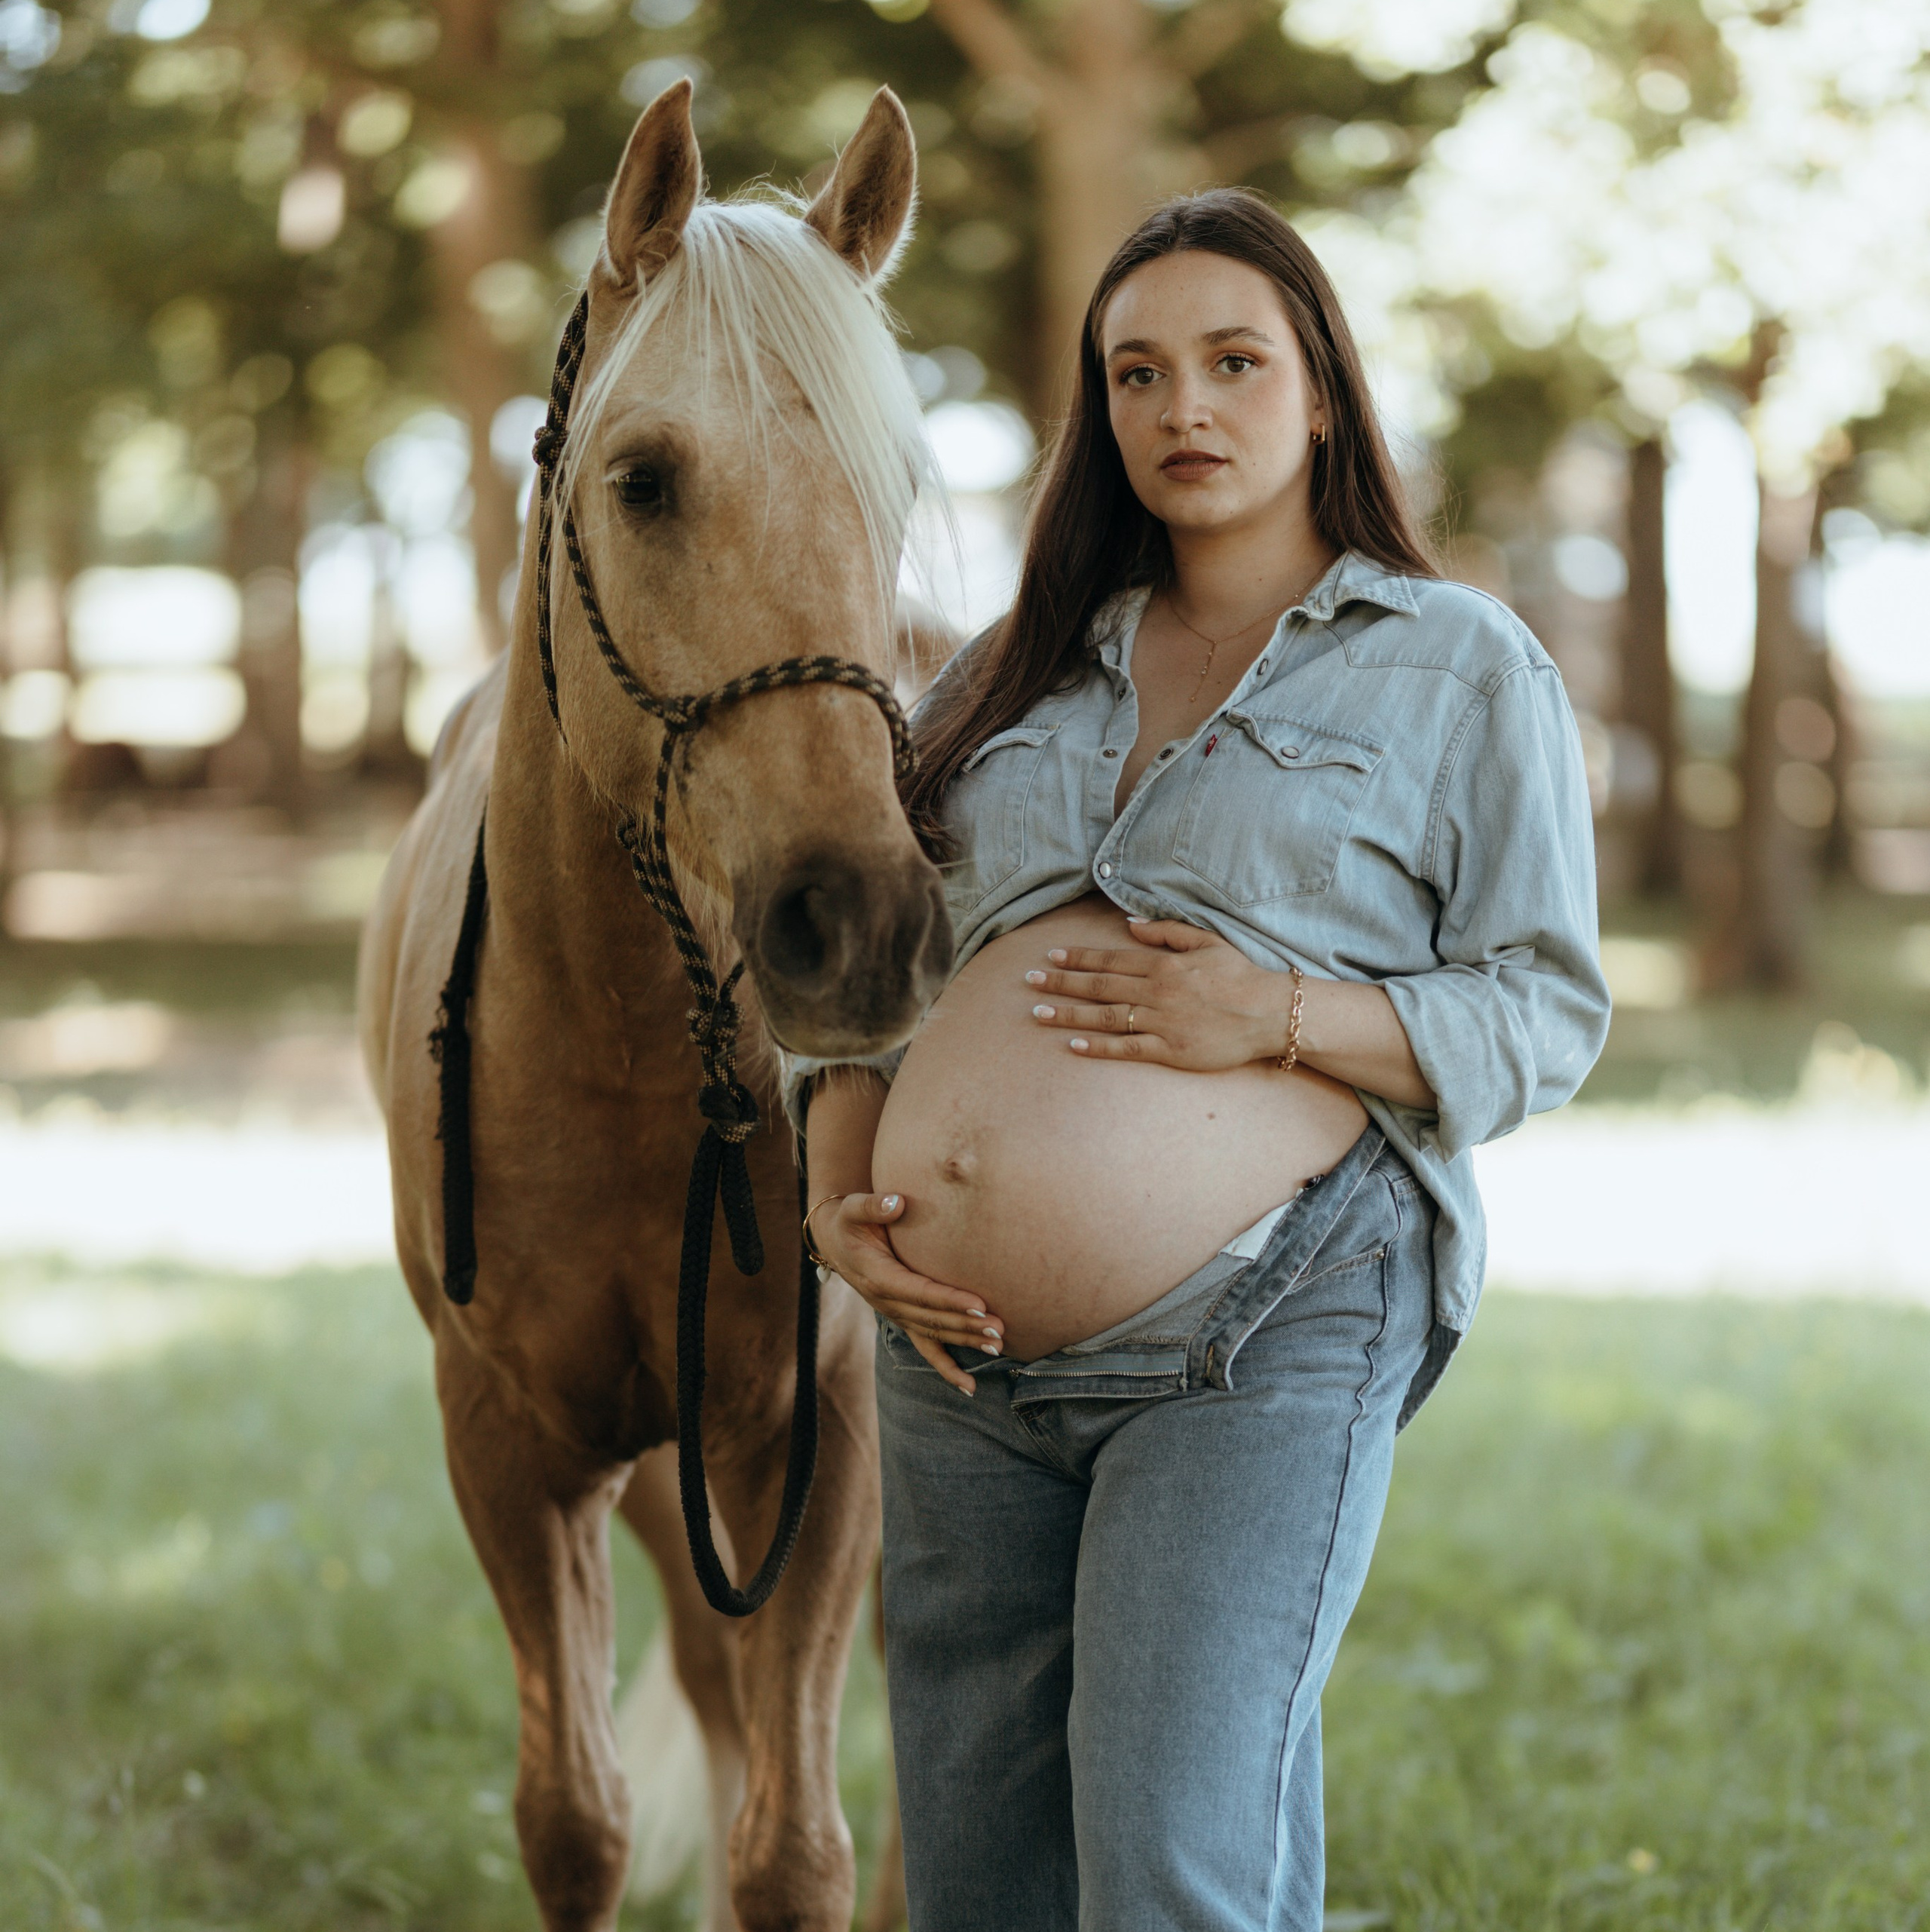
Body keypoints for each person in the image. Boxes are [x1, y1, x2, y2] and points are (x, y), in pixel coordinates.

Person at [785, 188, 1610, 1932]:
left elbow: (1541, 1006)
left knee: (1168, 1867)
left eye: (1234, 362)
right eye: (1136, 374)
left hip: (1266, 1327)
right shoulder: (1003, 680)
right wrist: (832, 1192)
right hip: (954, 1370)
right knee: (979, 1886)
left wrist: (1279, 1018)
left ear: (1319, 394)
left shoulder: (1457, 666)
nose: (1183, 410)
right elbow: (883, 968)